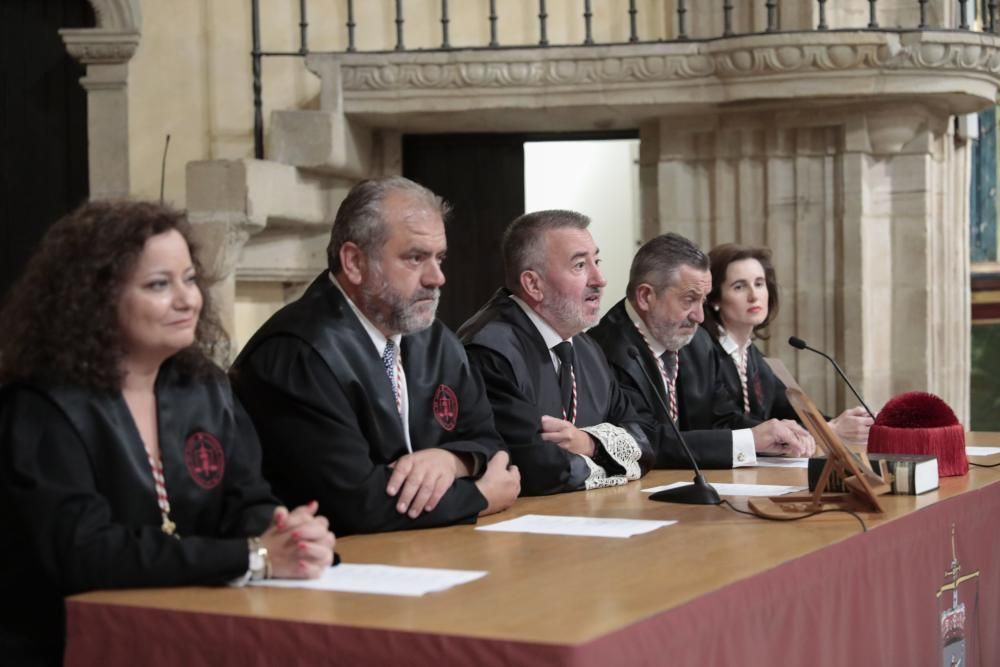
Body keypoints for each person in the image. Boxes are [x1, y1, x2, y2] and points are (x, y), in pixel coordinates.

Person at [0, 201, 335, 666]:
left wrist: (283, 529)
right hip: (66, 645)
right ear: (93, 298)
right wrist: (252, 557)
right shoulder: (43, 407)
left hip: (191, 627)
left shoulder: (204, 388)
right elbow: (86, 553)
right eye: (160, 284)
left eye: (190, 278)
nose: (188, 300)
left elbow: (243, 498)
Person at [231, 177, 520, 536]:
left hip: (427, 551)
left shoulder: (435, 341)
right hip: (330, 569)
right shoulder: (299, 352)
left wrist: (452, 460)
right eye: (415, 258)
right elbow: (351, 502)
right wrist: (478, 496)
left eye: (439, 257)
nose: (438, 277)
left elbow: (492, 445)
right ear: (354, 262)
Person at [458, 210, 654, 496]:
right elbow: (539, 466)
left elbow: (647, 437)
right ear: (533, 284)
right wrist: (617, 462)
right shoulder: (489, 350)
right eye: (579, 266)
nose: (599, 279)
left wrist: (589, 443)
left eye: (596, 262)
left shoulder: (586, 348)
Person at [589, 233, 815, 469]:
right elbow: (643, 441)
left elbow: (721, 418)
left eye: (703, 300)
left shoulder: (697, 341)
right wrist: (748, 440)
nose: (700, 316)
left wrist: (772, 435)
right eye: (689, 300)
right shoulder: (605, 351)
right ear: (646, 297)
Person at [704, 243, 872, 444]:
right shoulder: (705, 351)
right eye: (739, 286)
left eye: (759, 284)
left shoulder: (755, 357)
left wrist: (846, 424)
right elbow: (726, 423)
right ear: (715, 298)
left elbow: (794, 411)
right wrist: (829, 430)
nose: (754, 295)